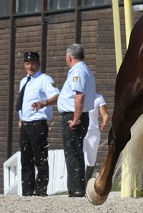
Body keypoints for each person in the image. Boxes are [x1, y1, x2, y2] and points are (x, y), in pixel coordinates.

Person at [52, 44, 97, 197]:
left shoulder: (78, 71)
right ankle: (76, 188)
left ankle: (76, 189)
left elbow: (79, 96)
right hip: (76, 115)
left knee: (73, 153)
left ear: (69, 57)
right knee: (74, 152)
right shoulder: (85, 70)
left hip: (73, 116)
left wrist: (75, 119)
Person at [17, 51, 59, 197]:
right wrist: (21, 117)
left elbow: (56, 96)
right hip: (25, 124)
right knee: (26, 159)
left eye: (33, 63)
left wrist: (44, 102)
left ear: (38, 64)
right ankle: (27, 192)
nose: (30, 66)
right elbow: (23, 102)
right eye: (28, 63)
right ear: (24, 65)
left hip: (38, 124)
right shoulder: (24, 81)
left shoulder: (45, 79)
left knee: (40, 158)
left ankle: (41, 191)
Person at [83, 93, 109, 181]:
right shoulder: (76, 96)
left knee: (91, 160)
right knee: (80, 156)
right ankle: (80, 184)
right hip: (81, 130)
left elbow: (105, 114)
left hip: (93, 132)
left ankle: (87, 180)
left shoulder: (98, 98)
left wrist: (104, 122)